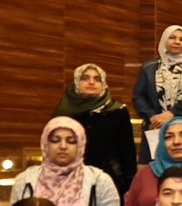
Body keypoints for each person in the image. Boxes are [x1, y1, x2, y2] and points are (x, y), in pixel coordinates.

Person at [55, 63, 139, 192]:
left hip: (109, 179)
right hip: (70, 178)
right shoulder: (65, 110)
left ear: (103, 84)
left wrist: (129, 182)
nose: (91, 82)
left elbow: (127, 150)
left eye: (97, 79)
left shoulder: (117, 111)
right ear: (77, 82)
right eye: (85, 78)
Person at [133, 26, 182, 155]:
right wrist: (153, 117)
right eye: (172, 37)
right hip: (155, 126)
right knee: (154, 168)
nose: (177, 42)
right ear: (163, 40)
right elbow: (138, 97)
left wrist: (171, 114)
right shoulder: (149, 67)